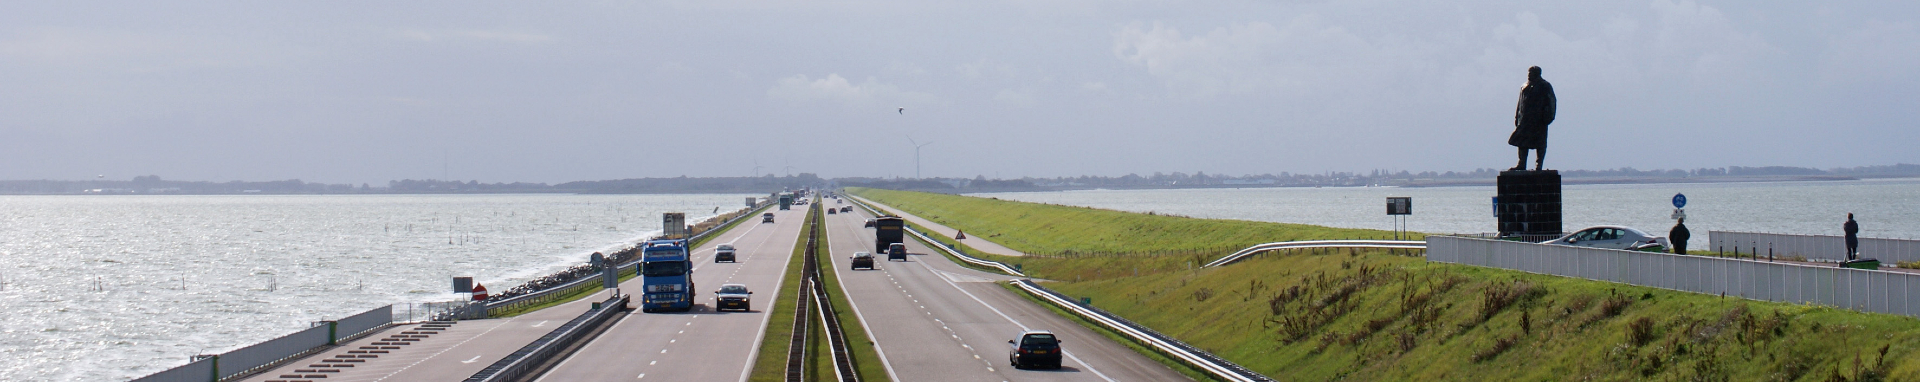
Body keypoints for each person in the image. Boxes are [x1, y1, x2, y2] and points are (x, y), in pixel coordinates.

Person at [1509, 66, 1556, 171]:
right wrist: (1517, 117)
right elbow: (1520, 102)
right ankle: (1521, 164)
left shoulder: (1545, 86)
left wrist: (1548, 117)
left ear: (1538, 73)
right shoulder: (1524, 86)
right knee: (1521, 142)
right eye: (1529, 72)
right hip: (1525, 120)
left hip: (1539, 120)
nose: (1529, 75)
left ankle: (1539, 165)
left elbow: (1551, 102)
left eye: (1532, 73)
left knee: (1540, 143)